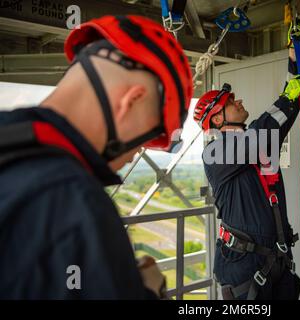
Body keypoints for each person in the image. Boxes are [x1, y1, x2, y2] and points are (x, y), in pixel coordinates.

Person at [0, 15, 192, 299]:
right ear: (131, 101)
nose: (135, 153)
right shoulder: (74, 202)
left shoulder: (10, 141)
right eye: (147, 137)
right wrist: (147, 291)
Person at [193, 19, 300, 300]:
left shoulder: (257, 140)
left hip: (277, 262)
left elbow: (287, 110)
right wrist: (288, 95)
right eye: (231, 101)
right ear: (217, 118)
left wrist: (295, 53)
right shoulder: (215, 153)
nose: (240, 101)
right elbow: (264, 129)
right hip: (244, 267)